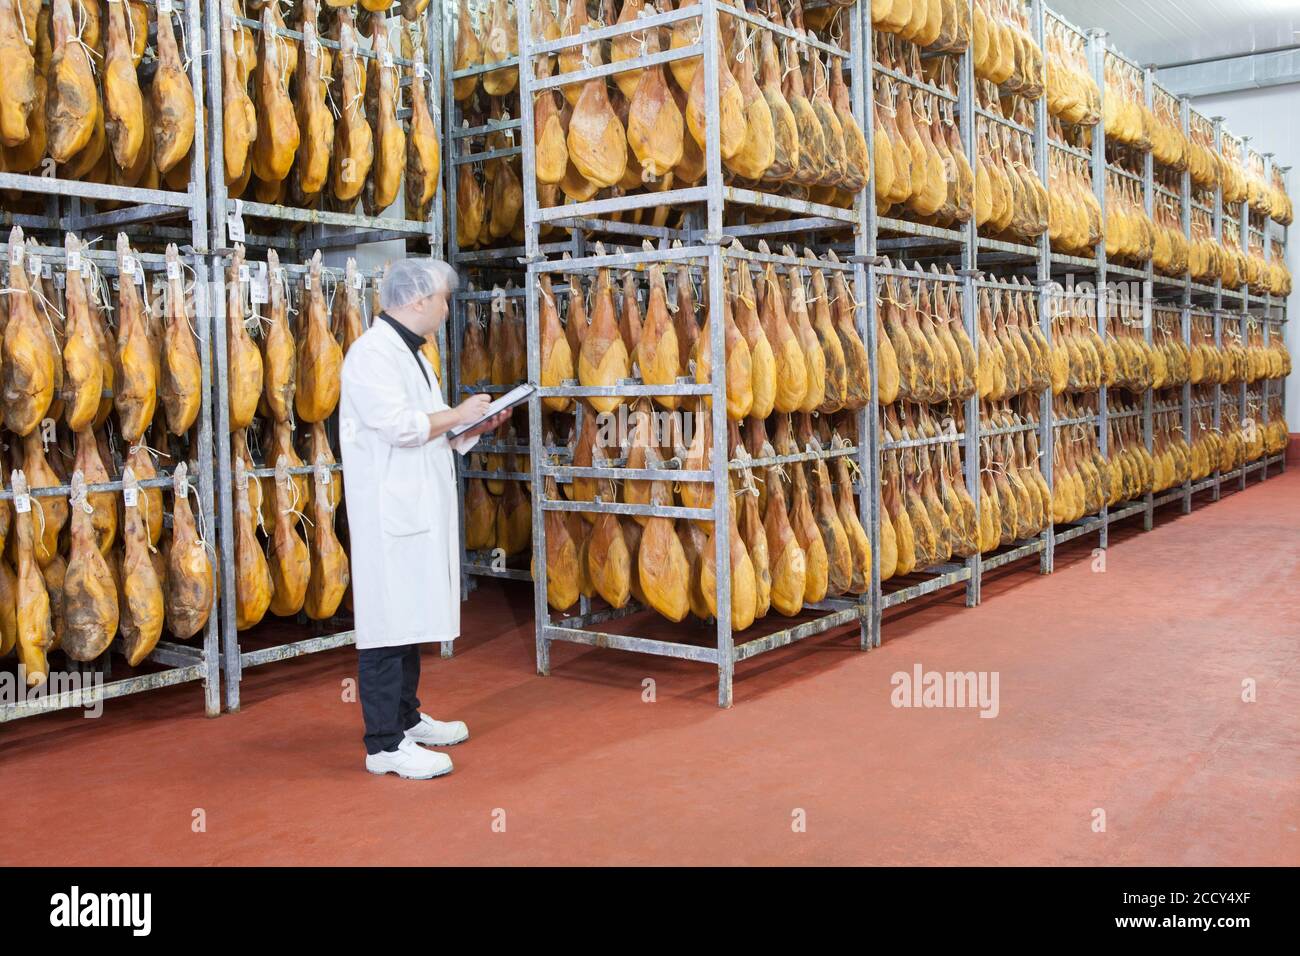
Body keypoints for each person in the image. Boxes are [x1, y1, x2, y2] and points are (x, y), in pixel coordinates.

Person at [339, 258, 509, 780]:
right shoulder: (371, 355)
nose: (445, 307)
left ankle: (407, 719)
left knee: (407, 616)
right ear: (417, 301)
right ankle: (384, 744)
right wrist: (456, 414)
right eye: (441, 298)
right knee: (386, 625)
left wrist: (473, 426)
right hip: (388, 512)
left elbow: (431, 430)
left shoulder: (415, 355)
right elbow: (400, 427)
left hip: (414, 505)